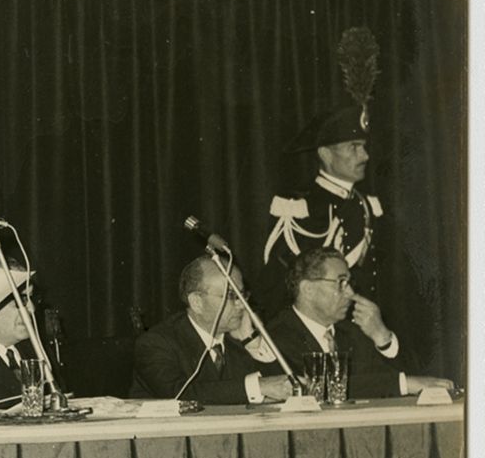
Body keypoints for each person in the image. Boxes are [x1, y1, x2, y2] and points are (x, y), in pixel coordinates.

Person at [266, 248, 451, 400]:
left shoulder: (352, 333)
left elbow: (416, 380)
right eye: (341, 283)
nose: (351, 292)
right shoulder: (275, 336)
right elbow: (319, 387)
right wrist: (403, 384)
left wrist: (382, 336)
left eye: (349, 282)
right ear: (308, 290)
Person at [263, 102, 383, 301]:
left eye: (363, 147)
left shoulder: (370, 205)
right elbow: (281, 283)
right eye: (353, 147)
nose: (365, 156)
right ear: (326, 154)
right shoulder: (299, 207)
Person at [131, 257, 292, 405]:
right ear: (197, 302)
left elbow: (282, 387)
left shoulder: (237, 338)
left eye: (242, 295)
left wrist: (252, 341)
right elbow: (178, 394)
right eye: (231, 296)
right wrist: (256, 387)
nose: (242, 305)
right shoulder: (156, 342)